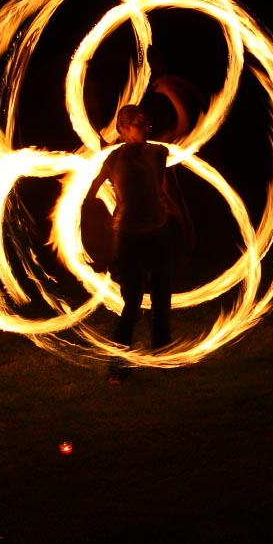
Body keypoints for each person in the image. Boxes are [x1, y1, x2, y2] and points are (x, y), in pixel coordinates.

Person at [87, 103, 192, 384]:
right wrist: (97, 233)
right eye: (136, 123)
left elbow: (168, 191)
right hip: (128, 239)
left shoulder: (159, 153)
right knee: (132, 302)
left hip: (157, 234)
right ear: (122, 129)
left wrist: (182, 224)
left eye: (147, 124)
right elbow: (90, 193)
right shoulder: (112, 159)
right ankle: (118, 366)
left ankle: (164, 354)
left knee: (161, 301)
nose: (144, 128)